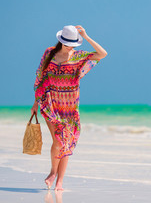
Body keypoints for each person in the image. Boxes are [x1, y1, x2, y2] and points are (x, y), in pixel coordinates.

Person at [30, 25, 107, 191]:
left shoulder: (79, 56)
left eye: (73, 43)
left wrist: (86, 36)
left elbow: (102, 54)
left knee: (66, 143)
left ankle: (59, 181)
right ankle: (52, 172)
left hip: (69, 106)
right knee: (58, 141)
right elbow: (40, 77)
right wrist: (36, 102)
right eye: (66, 43)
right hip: (50, 102)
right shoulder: (49, 53)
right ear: (60, 40)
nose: (69, 46)